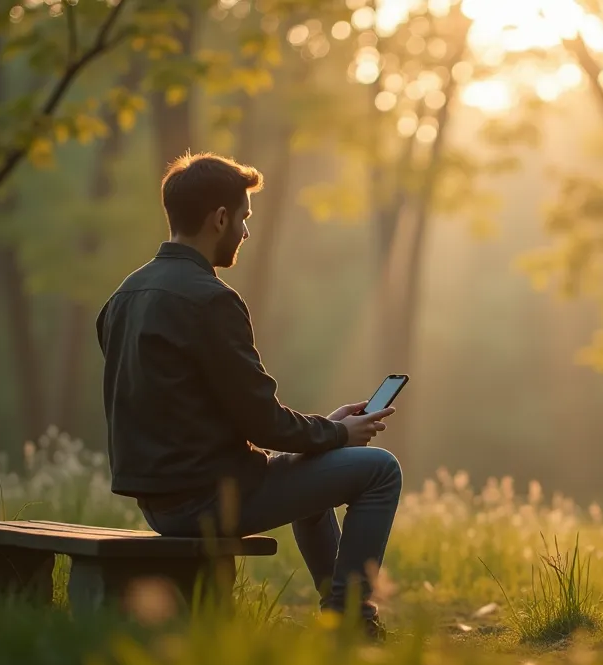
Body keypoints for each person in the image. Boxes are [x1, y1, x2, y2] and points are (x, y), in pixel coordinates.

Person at [95, 151, 401, 638]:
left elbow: (203, 410)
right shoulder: (211, 300)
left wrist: (327, 433)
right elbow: (262, 422)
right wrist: (339, 433)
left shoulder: (123, 297)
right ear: (220, 219)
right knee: (381, 469)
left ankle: (344, 617)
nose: (245, 231)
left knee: (313, 465)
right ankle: (351, 622)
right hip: (209, 501)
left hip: (158, 502)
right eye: (244, 218)